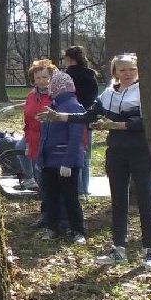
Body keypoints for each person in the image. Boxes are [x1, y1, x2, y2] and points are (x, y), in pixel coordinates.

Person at [40, 52, 151, 270]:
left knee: (145, 201)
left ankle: (149, 251)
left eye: (132, 69)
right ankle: (118, 249)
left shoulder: (145, 92)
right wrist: (59, 117)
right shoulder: (108, 94)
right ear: (115, 72)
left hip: (142, 152)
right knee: (118, 201)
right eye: (123, 70)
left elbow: (147, 122)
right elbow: (88, 116)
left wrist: (117, 126)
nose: (128, 73)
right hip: (116, 153)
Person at [36, 71, 87, 243]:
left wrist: (68, 162)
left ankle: (77, 230)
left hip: (65, 161)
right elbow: (45, 135)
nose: (50, 88)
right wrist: (41, 158)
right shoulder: (54, 104)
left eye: (52, 85)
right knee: (51, 196)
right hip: (49, 160)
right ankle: (53, 228)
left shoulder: (73, 106)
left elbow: (76, 137)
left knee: (70, 197)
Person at [62, 46, 100, 195]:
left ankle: (77, 189)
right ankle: (85, 188)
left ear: (69, 59)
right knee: (85, 155)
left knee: (74, 153)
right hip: (87, 118)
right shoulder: (91, 76)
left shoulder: (67, 77)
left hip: (71, 117)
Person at [19, 59, 56, 203]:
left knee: (48, 175)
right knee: (38, 173)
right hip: (33, 138)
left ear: (51, 77)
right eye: (38, 78)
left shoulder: (57, 95)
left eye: (45, 77)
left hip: (50, 139)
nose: (41, 81)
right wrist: (28, 141)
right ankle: (43, 201)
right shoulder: (31, 95)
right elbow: (28, 120)